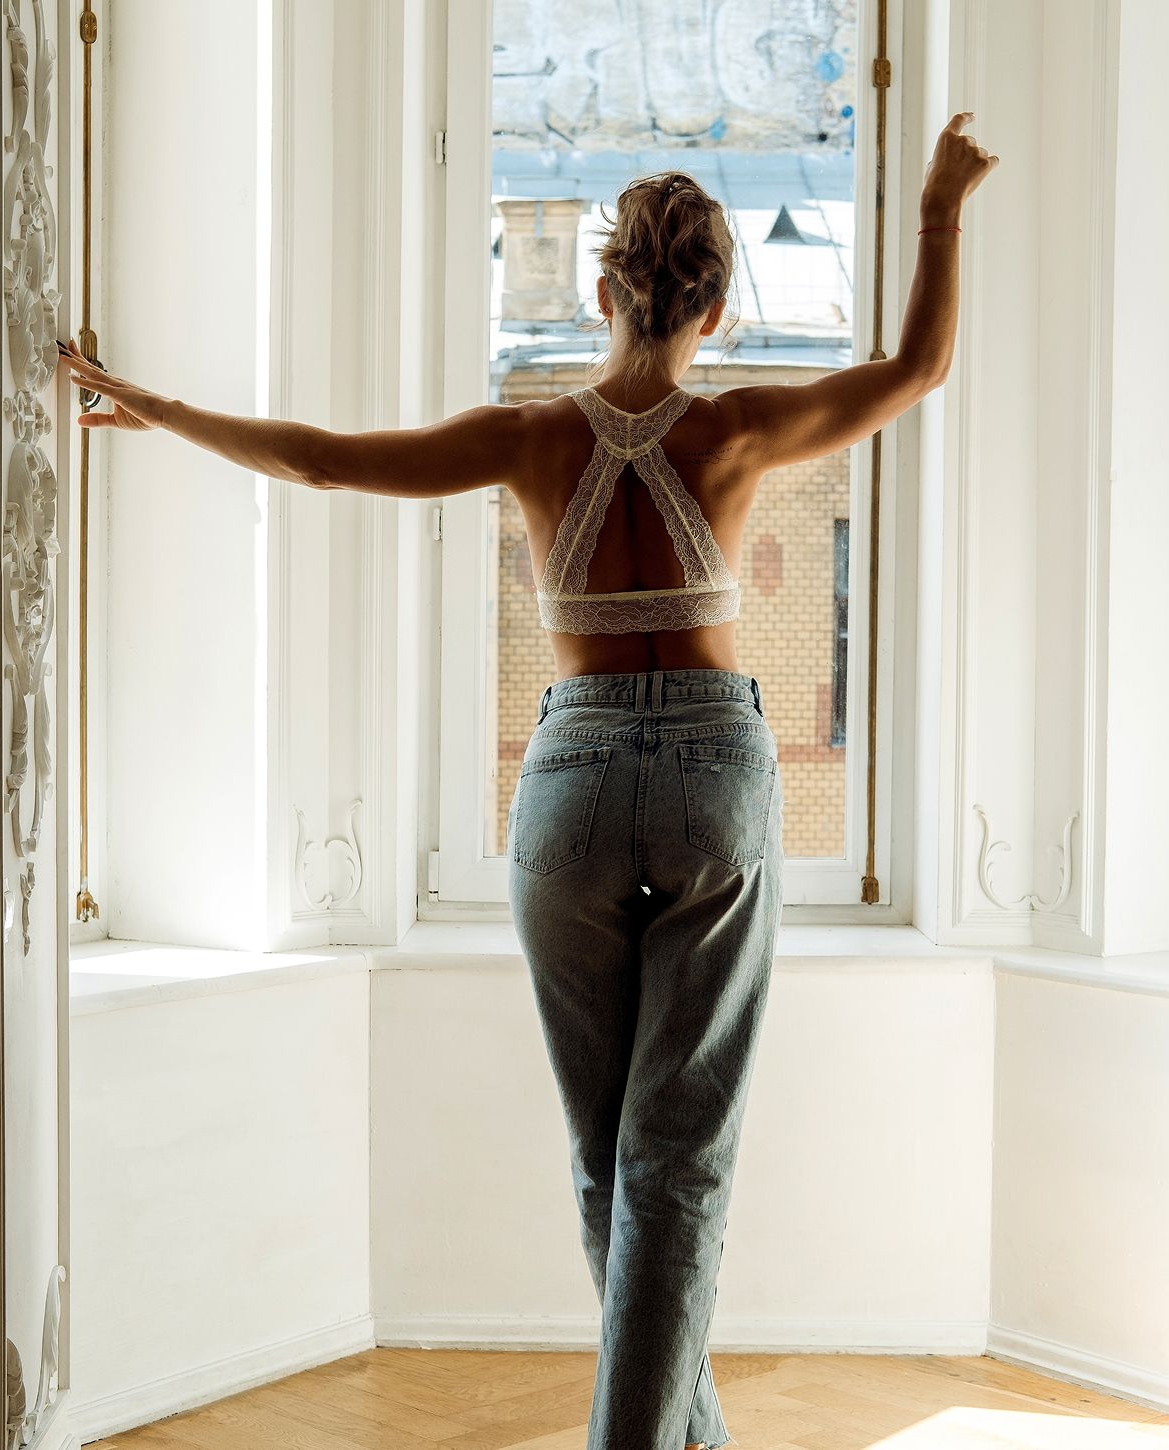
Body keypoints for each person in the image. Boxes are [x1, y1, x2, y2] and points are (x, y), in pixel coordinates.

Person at [59, 111, 997, 1450]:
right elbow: (916, 366)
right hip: (716, 774)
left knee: (606, 1151)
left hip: (567, 778)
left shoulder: (533, 441)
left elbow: (321, 458)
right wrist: (940, 205)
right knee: (679, 1157)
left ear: (607, 290)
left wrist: (149, 402)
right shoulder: (736, 428)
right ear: (716, 306)